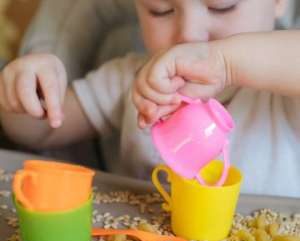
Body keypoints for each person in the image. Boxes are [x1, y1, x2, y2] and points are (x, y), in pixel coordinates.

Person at [0, 0, 298, 197]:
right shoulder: (133, 78)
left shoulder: (282, 91)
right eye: (161, 9)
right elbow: (40, 131)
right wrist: (28, 91)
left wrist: (224, 63)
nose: (189, 34)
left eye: (221, 5)